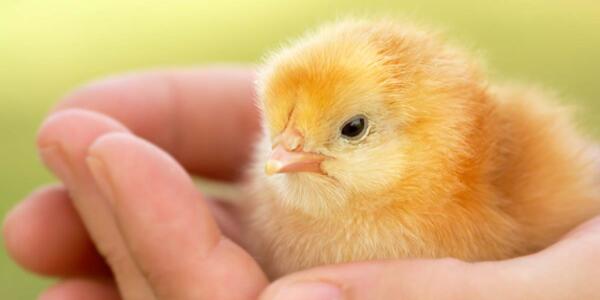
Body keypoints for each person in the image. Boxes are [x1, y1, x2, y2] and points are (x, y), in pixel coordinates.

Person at [3, 67, 600, 300]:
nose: (281, 153)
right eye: (275, 127)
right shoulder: (280, 195)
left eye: (352, 128)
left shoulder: (485, 190)